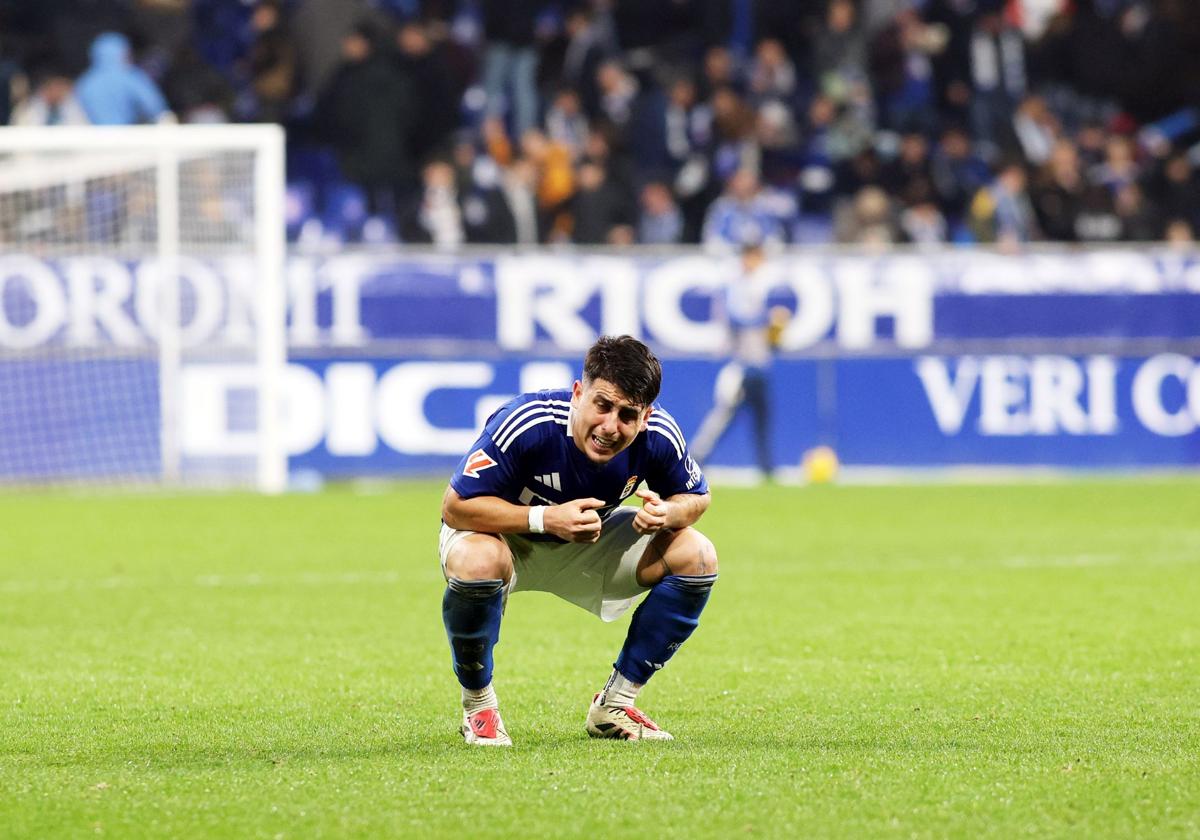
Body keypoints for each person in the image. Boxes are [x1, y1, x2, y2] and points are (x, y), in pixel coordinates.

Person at [439, 335, 717, 745]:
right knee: (477, 562)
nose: (610, 427)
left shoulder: (658, 435)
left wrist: (669, 513)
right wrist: (546, 518)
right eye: (602, 405)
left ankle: (615, 705)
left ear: (645, 416)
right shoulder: (529, 421)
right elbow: (456, 506)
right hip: (506, 540)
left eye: (627, 415)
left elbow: (696, 497)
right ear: (578, 393)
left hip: (588, 541)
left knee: (697, 555)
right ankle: (478, 706)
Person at [690, 236, 784, 479]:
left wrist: (775, 332)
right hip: (741, 364)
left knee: (762, 418)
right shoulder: (736, 286)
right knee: (724, 416)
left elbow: (773, 340)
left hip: (760, 364)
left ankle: (767, 467)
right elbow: (735, 318)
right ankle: (696, 458)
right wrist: (765, 320)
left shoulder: (762, 284)